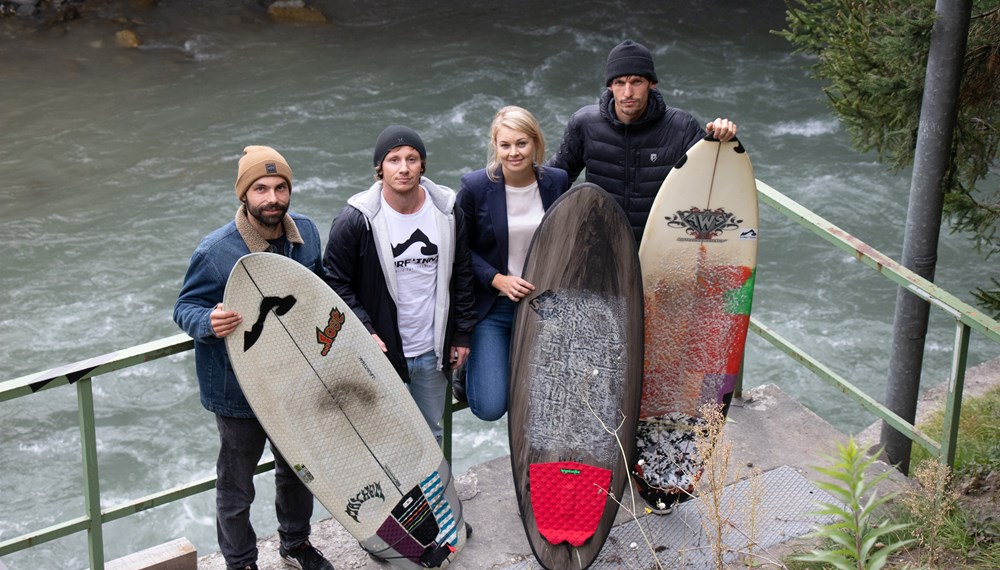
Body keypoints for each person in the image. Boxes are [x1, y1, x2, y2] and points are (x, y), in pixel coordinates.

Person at [173, 146, 334, 570]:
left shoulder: (308, 235)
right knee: (236, 487)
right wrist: (209, 320)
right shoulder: (216, 251)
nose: (272, 198)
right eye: (260, 189)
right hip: (237, 388)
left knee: (299, 472)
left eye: (280, 187)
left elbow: (320, 294)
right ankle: (241, 562)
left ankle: (295, 544)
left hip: (294, 381)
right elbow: (184, 307)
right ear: (244, 195)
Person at [322, 125, 476, 445]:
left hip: (433, 352)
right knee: (384, 440)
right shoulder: (355, 221)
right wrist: (366, 330)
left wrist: (461, 333)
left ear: (423, 165)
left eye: (412, 159)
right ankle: (398, 499)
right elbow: (335, 283)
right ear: (379, 169)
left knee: (430, 434)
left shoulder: (447, 212)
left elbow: (462, 273)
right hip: (382, 353)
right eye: (393, 160)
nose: (404, 168)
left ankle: (433, 497)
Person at [549, 38, 738, 243]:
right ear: (610, 86)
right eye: (620, 83)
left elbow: (716, 180)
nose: (628, 92)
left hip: (659, 248)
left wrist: (722, 140)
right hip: (602, 245)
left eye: (636, 82)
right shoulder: (584, 124)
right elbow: (554, 180)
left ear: (652, 84)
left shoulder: (681, 127)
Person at [455, 106, 570, 421]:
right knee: (491, 407)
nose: (514, 152)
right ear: (495, 146)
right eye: (505, 145)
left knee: (551, 402)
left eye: (522, 143)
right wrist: (496, 278)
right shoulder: (475, 187)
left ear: (535, 143)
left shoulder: (557, 182)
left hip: (544, 305)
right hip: (493, 307)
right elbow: (459, 248)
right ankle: (468, 375)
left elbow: (568, 236)